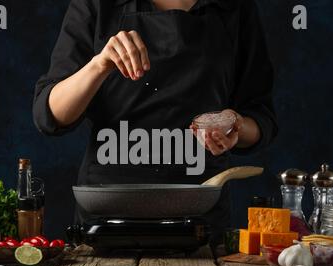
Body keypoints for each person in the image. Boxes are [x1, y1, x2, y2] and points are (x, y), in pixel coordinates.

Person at [33, 0, 278, 245]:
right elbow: (50, 114)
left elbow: (261, 117)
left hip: (199, 224)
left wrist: (236, 124)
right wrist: (99, 65)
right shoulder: (96, 4)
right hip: (108, 220)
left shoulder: (235, 7)